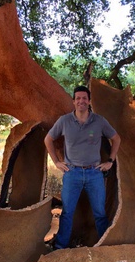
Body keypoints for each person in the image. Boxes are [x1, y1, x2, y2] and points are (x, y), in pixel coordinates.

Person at [44, 85, 121, 249]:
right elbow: (48, 140)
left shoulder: (99, 121)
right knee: (67, 213)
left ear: (89, 101)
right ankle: (60, 248)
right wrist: (57, 162)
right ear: (73, 101)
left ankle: (105, 246)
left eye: (84, 98)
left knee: (100, 213)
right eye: (78, 98)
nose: (81, 101)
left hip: (95, 173)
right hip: (72, 173)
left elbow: (116, 139)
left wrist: (110, 161)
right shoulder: (64, 121)